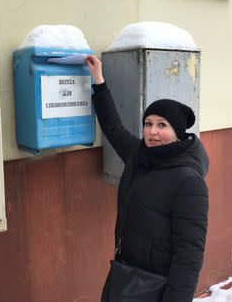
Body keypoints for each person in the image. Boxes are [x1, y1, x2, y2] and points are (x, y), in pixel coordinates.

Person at [85, 55, 209, 302]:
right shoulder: (140, 155)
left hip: (156, 287)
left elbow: (189, 256)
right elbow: (113, 128)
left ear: (177, 133)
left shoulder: (189, 182)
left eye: (162, 125)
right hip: (125, 275)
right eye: (148, 123)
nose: (152, 131)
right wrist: (98, 80)